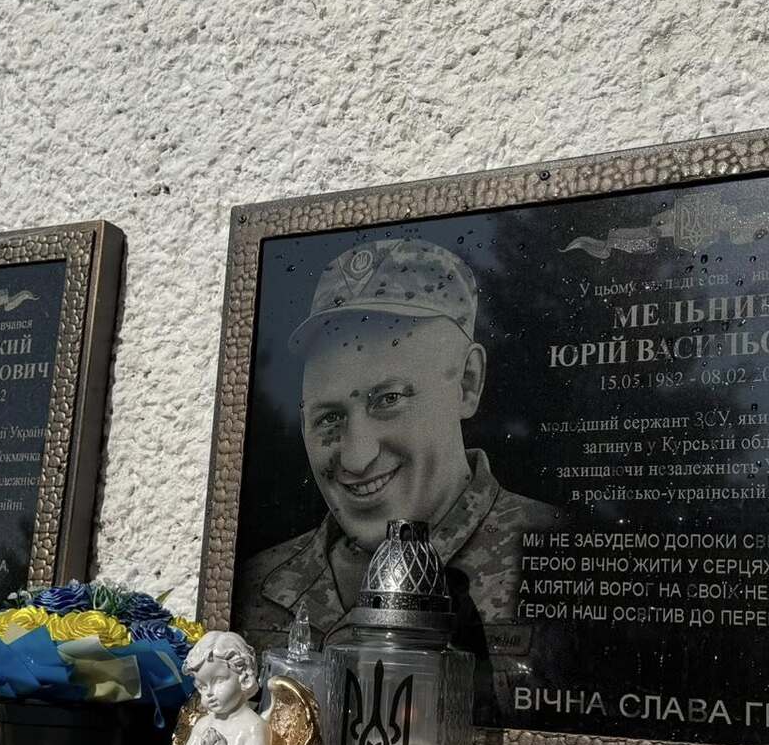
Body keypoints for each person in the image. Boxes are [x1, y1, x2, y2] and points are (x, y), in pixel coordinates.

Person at [235, 237, 559, 713]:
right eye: (329, 417)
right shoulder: (256, 582)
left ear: (467, 383)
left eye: (388, 399)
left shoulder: (562, 562)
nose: (356, 457)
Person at [176, 631, 269, 745]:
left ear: (244, 677)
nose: (209, 693)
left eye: (218, 680)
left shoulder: (254, 726)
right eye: (202, 686)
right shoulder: (203, 724)